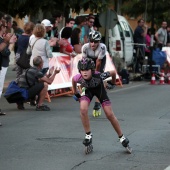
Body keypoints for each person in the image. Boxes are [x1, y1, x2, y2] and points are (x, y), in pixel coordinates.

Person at [72, 58, 130, 153]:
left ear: (92, 70)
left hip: (100, 91)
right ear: (79, 71)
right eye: (82, 70)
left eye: (87, 70)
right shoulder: (78, 77)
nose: (85, 72)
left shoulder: (99, 76)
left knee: (109, 114)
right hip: (88, 91)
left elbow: (113, 72)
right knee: (83, 109)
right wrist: (76, 93)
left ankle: (122, 136)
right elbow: (73, 81)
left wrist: (113, 83)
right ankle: (88, 134)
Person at [81, 31, 107, 116]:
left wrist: (95, 75)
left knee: (100, 80)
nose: (93, 44)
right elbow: (83, 63)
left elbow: (98, 62)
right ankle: (84, 93)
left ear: (99, 42)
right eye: (91, 41)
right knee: (85, 77)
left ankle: (97, 103)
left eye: (95, 42)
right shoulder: (85, 47)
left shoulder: (102, 47)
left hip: (99, 60)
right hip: (89, 59)